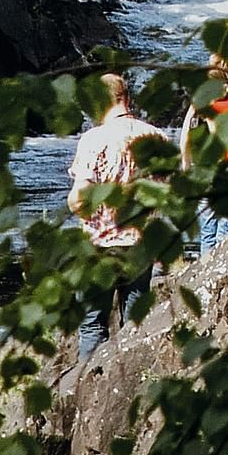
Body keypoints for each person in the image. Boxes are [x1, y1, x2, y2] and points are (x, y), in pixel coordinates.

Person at [67, 72, 166, 337]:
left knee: (92, 326)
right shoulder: (157, 137)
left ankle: (90, 376)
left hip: (99, 245)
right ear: (127, 98)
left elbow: (79, 198)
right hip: (141, 244)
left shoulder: (93, 140)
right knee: (135, 326)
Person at [179, 56, 228, 255]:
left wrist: (186, 168)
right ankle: (219, 272)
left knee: (208, 228)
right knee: (227, 226)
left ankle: (201, 275)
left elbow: (185, 137)